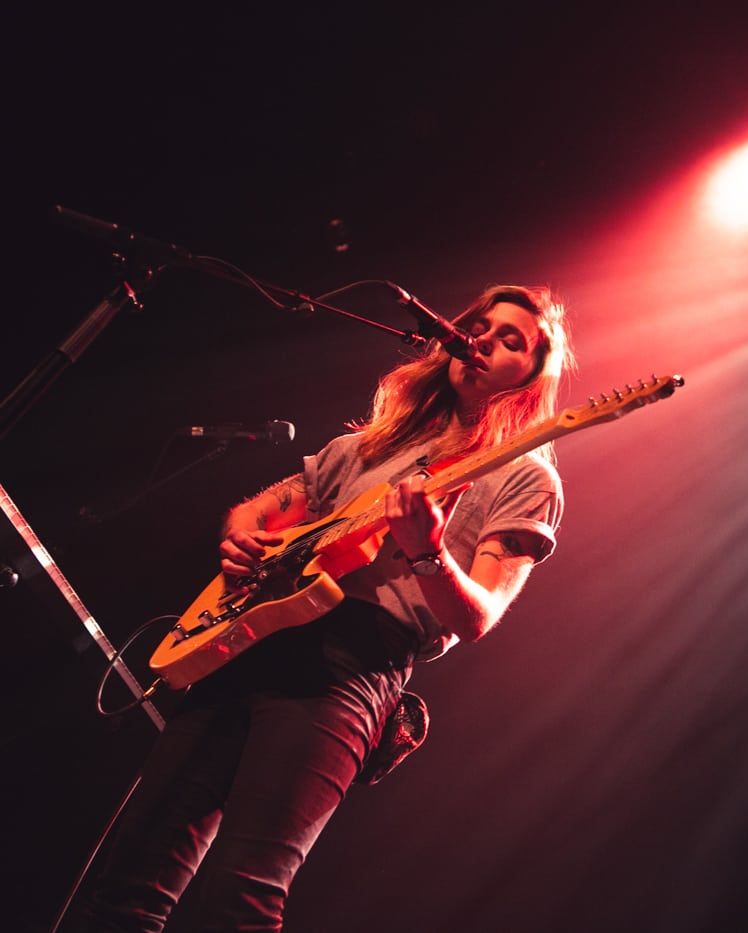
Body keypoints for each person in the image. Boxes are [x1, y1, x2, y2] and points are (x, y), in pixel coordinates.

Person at [80, 285, 573, 931]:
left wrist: (427, 553)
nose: (480, 338)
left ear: (533, 378)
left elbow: (475, 617)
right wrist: (242, 538)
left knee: (239, 896)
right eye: (478, 324)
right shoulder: (369, 445)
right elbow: (263, 508)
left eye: (511, 339)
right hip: (249, 641)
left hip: (348, 668)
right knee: (128, 880)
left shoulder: (525, 477)